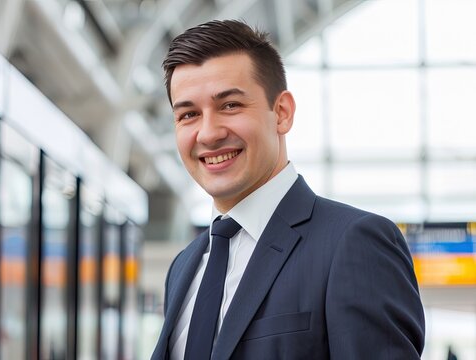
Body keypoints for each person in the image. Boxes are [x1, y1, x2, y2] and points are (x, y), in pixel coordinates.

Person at [151, 20, 425, 360]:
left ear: (281, 113)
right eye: (189, 114)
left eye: (230, 105)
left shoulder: (353, 243)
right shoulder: (184, 266)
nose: (208, 134)